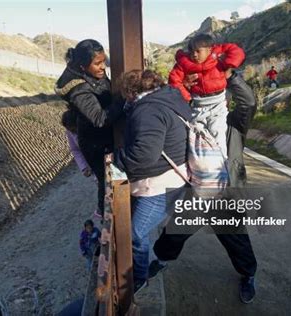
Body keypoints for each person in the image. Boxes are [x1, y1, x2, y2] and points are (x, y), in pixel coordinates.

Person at [148, 71, 259, 304]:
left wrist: (230, 76)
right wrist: (181, 83)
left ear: (225, 102)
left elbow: (248, 102)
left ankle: (248, 275)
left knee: (236, 240)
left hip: (225, 194)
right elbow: (171, 100)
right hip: (196, 191)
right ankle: (161, 260)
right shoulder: (189, 121)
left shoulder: (234, 125)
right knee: (175, 232)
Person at [115, 69, 192, 294]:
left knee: (136, 234)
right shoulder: (169, 98)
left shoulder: (148, 110)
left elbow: (143, 155)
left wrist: (117, 158)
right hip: (176, 177)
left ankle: (139, 277)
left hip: (158, 185)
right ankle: (151, 265)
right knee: (142, 229)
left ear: (131, 92)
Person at [55, 39, 122, 218]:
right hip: (95, 144)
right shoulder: (78, 90)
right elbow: (99, 118)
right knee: (105, 181)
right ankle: (104, 215)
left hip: (105, 137)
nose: (103, 67)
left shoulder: (93, 75)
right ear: (83, 66)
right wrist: (124, 98)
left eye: (103, 62)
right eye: (97, 63)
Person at [168, 33, 245, 159]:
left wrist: (222, 55)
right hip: (197, 106)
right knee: (197, 135)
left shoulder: (217, 60)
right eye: (192, 51)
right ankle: (200, 165)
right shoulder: (184, 64)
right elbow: (174, 82)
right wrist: (188, 98)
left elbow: (236, 52)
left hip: (217, 105)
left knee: (218, 133)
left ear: (209, 50)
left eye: (198, 51)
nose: (195, 54)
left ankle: (221, 165)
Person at [61, 110, 92, 178]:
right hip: (94, 169)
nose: (74, 133)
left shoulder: (91, 125)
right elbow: (75, 150)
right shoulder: (70, 132)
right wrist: (84, 167)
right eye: (71, 131)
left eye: (74, 130)